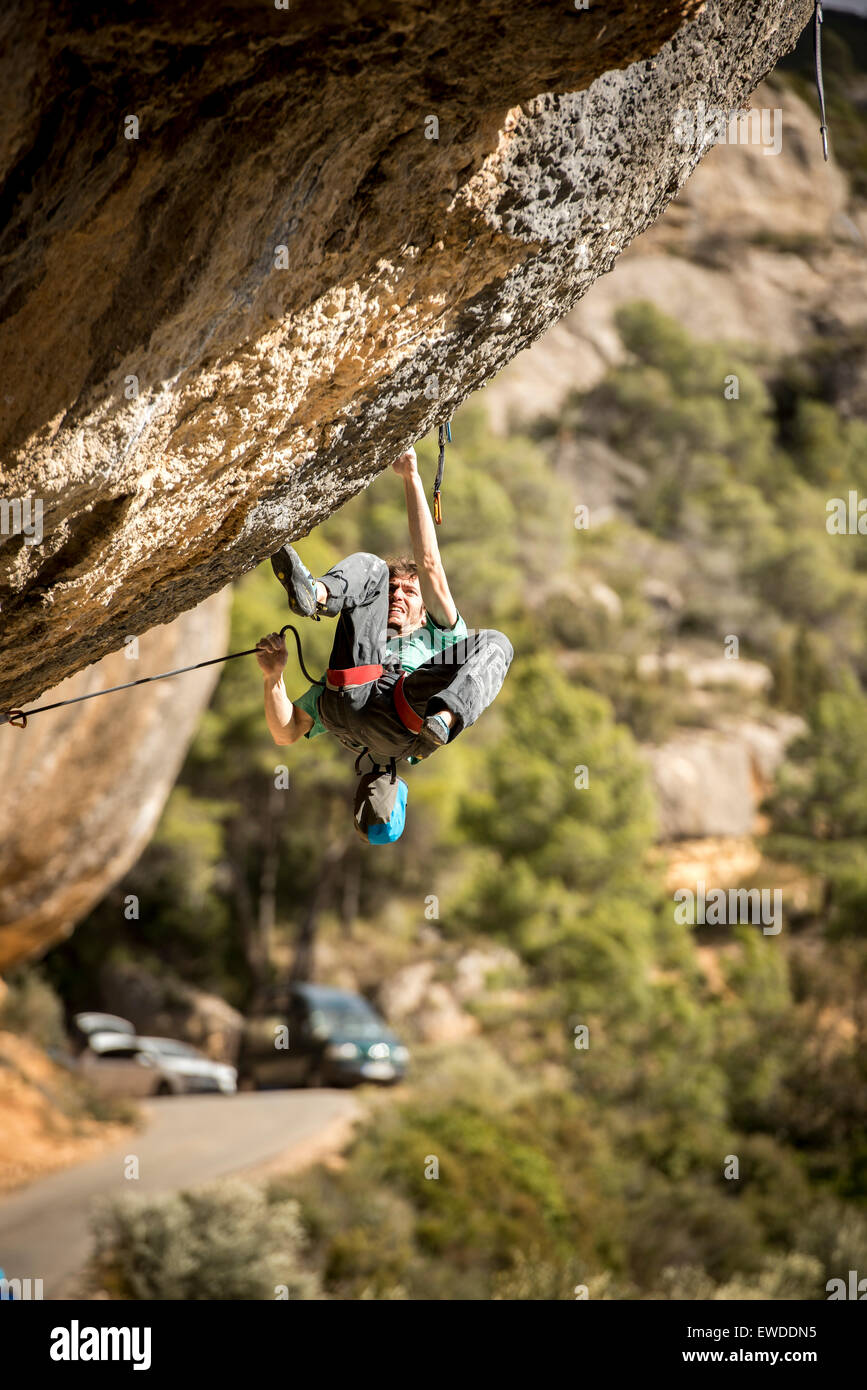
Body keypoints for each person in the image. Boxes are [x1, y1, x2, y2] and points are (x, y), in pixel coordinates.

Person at [255, 445, 513, 768]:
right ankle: (315, 592)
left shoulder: (440, 638)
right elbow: (286, 732)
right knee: (374, 568)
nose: (398, 595)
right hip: (353, 688)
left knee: (497, 644)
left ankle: (444, 720)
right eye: (393, 590)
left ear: (425, 613)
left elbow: (429, 563)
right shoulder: (362, 645)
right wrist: (273, 677)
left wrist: (411, 477)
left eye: (409, 592)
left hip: (404, 710)